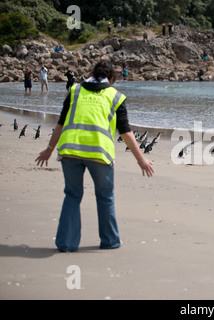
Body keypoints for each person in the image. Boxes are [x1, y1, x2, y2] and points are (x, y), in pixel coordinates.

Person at [35, 60, 154, 252]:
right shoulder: (115, 96)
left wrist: (49, 149)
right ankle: (109, 241)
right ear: (112, 78)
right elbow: (126, 132)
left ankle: (66, 244)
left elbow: (61, 123)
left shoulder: (75, 90)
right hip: (99, 153)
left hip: (70, 150)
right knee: (105, 196)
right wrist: (141, 159)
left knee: (72, 196)